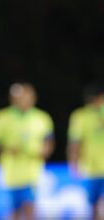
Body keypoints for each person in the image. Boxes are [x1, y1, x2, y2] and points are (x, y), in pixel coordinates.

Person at [0, 82, 54, 220]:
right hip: (10, 174)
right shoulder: (1, 117)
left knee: (30, 210)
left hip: (33, 174)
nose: (25, 100)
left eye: (28, 97)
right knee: (13, 212)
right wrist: (7, 149)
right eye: (21, 97)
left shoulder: (42, 118)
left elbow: (49, 141)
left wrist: (45, 151)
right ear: (13, 99)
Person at [67, 84, 104, 220]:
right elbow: (74, 142)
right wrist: (73, 162)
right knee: (94, 205)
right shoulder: (80, 116)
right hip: (91, 168)